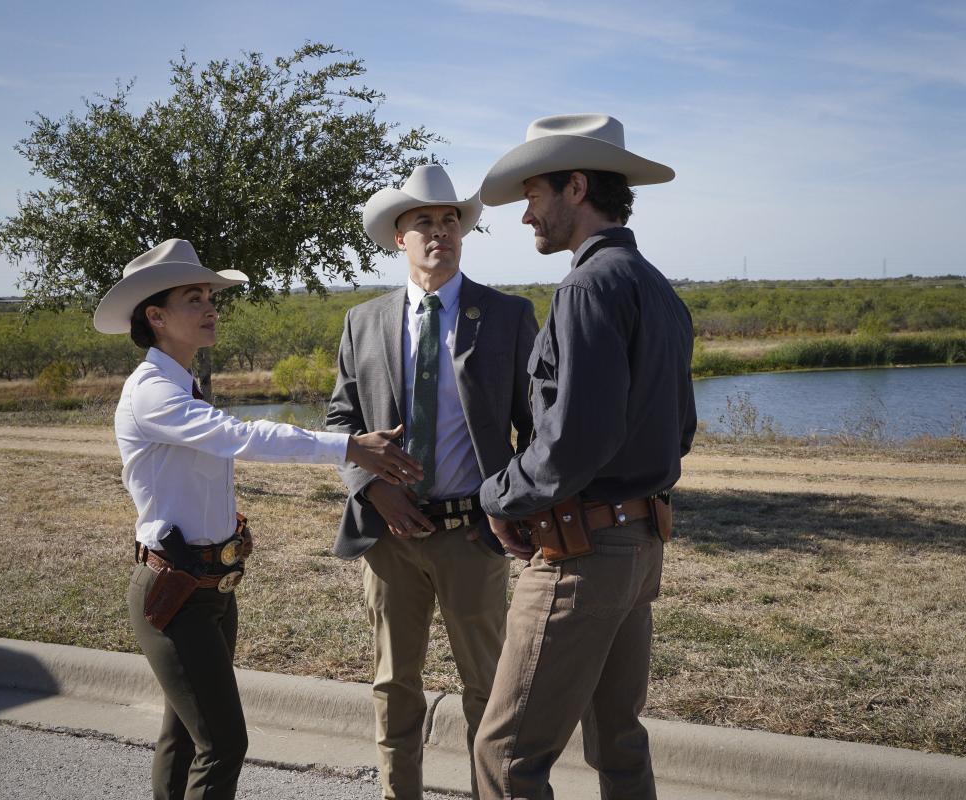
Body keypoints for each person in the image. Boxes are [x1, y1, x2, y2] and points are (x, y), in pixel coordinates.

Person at [93, 238, 423, 800]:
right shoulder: (151, 393)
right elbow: (242, 436)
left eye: (210, 297)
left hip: (209, 587)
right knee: (223, 744)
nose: (210, 308)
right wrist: (348, 446)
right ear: (156, 317)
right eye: (194, 298)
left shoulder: (180, 386)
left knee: (186, 735)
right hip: (174, 593)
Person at [471, 115, 697, 800]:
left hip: (583, 554)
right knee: (618, 744)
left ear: (575, 187)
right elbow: (680, 429)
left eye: (532, 195)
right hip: (639, 546)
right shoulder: (656, 287)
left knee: (506, 756)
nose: (525, 216)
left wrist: (496, 496)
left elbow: (572, 443)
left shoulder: (586, 287)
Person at [326, 165, 538, 800]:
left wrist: (504, 506)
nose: (441, 231)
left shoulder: (506, 316)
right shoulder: (363, 321)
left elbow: (535, 427)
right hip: (389, 538)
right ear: (400, 237)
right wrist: (371, 488)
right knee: (394, 685)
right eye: (425, 222)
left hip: (473, 534)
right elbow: (341, 422)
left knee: (489, 689)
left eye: (451, 220)